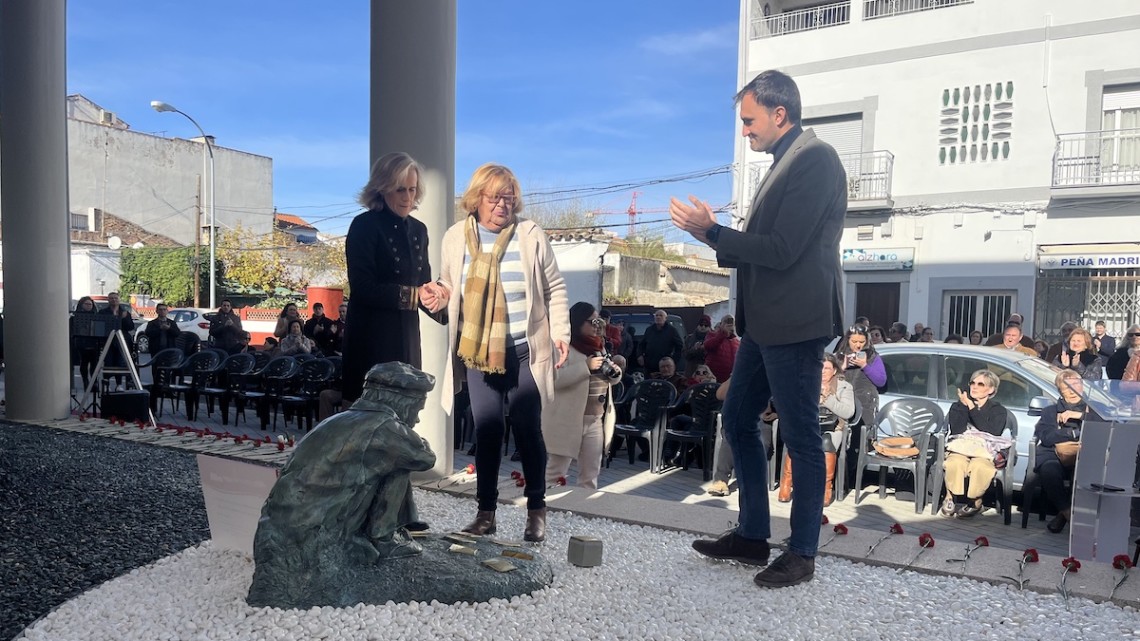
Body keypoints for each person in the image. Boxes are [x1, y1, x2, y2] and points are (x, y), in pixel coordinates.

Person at [670, 69, 846, 588]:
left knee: (800, 436)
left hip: (795, 323)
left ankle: (803, 552)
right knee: (739, 420)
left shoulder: (815, 160)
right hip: (767, 325)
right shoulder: (786, 163)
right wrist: (713, 235)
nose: (744, 131)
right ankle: (750, 536)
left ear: (779, 114)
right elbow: (767, 249)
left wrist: (712, 231)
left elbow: (782, 250)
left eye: (749, 121)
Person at [420, 162, 569, 543]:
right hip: (479, 354)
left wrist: (560, 333)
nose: (503, 204)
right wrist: (438, 293)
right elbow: (451, 285)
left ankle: (537, 510)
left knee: (527, 428)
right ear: (477, 199)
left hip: (525, 350)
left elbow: (554, 288)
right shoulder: (455, 237)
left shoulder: (530, 234)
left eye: (509, 197)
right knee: (486, 432)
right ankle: (486, 513)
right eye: (495, 197)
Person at [342, 152, 435, 403]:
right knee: (369, 424)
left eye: (412, 190)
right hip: (372, 340)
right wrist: (415, 295)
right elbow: (362, 286)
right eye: (400, 190)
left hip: (407, 338)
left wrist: (442, 300)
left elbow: (424, 283)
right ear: (382, 189)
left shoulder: (419, 230)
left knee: (405, 418)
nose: (407, 198)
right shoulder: (364, 225)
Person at [542, 302, 622, 490]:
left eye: (598, 321)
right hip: (567, 420)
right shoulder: (563, 347)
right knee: (556, 473)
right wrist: (585, 367)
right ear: (578, 322)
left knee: (590, 474)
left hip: (595, 419)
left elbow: (605, 379)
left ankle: (583, 510)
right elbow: (553, 380)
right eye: (592, 321)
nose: (596, 325)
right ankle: (547, 509)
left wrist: (615, 374)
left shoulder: (599, 347)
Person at [777, 354, 854, 507]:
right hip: (808, 425)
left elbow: (848, 412)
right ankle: (786, 484)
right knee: (795, 439)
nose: (823, 372)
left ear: (834, 371)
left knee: (826, 442)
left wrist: (828, 399)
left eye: (827, 368)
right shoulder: (806, 382)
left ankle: (826, 489)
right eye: (820, 368)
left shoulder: (844, 386)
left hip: (832, 428)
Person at [939, 369, 1009, 518]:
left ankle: (975, 501)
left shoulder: (998, 410)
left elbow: (991, 432)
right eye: (972, 383)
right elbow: (957, 429)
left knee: (980, 467)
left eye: (980, 384)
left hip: (983, 451)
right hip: (961, 448)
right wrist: (965, 406)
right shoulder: (958, 406)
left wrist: (972, 407)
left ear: (991, 389)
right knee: (954, 463)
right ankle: (950, 497)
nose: (974, 387)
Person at [1033, 370, 1086, 534]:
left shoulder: (1092, 410)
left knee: (1083, 471)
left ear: (1082, 386)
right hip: (1053, 453)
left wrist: (1078, 416)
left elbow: (1102, 426)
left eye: (1075, 384)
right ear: (1060, 391)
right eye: (1066, 387)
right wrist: (1072, 434)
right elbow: (1047, 437)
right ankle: (1067, 512)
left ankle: (1062, 516)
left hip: (1084, 454)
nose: (1071, 390)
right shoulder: (1050, 411)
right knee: (1049, 470)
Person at [97, 291, 135, 389]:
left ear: (119, 300)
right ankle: (106, 383)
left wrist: (123, 318)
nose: (114, 300)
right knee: (108, 361)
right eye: (111, 298)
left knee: (120, 362)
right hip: (108, 340)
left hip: (122, 341)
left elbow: (130, 327)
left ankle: (119, 384)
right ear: (108, 300)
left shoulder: (125, 312)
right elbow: (100, 326)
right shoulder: (103, 312)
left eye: (115, 298)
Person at [638, 310, 683, 375]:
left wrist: (673, 360)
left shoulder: (671, 330)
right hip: (650, 365)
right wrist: (640, 355)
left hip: (665, 366)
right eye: (656, 315)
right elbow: (641, 344)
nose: (658, 317)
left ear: (665, 318)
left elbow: (680, 346)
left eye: (661, 316)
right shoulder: (649, 330)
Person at [71, 296, 100, 392]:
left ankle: (94, 383)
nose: (88, 306)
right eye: (86, 304)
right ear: (81, 305)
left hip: (94, 342)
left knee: (94, 364)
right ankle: (85, 382)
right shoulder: (76, 316)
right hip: (81, 342)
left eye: (90, 304)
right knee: (83, 362)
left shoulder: (96, 315)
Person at [703, 314, 740, 384]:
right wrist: (723, 333)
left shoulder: (737, 342)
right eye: (726, 321)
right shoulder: (713, 335)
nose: (729, 324)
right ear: (721, 324)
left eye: (731, 322)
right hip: (714, 379)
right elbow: (708, 345)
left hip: (729, 380)